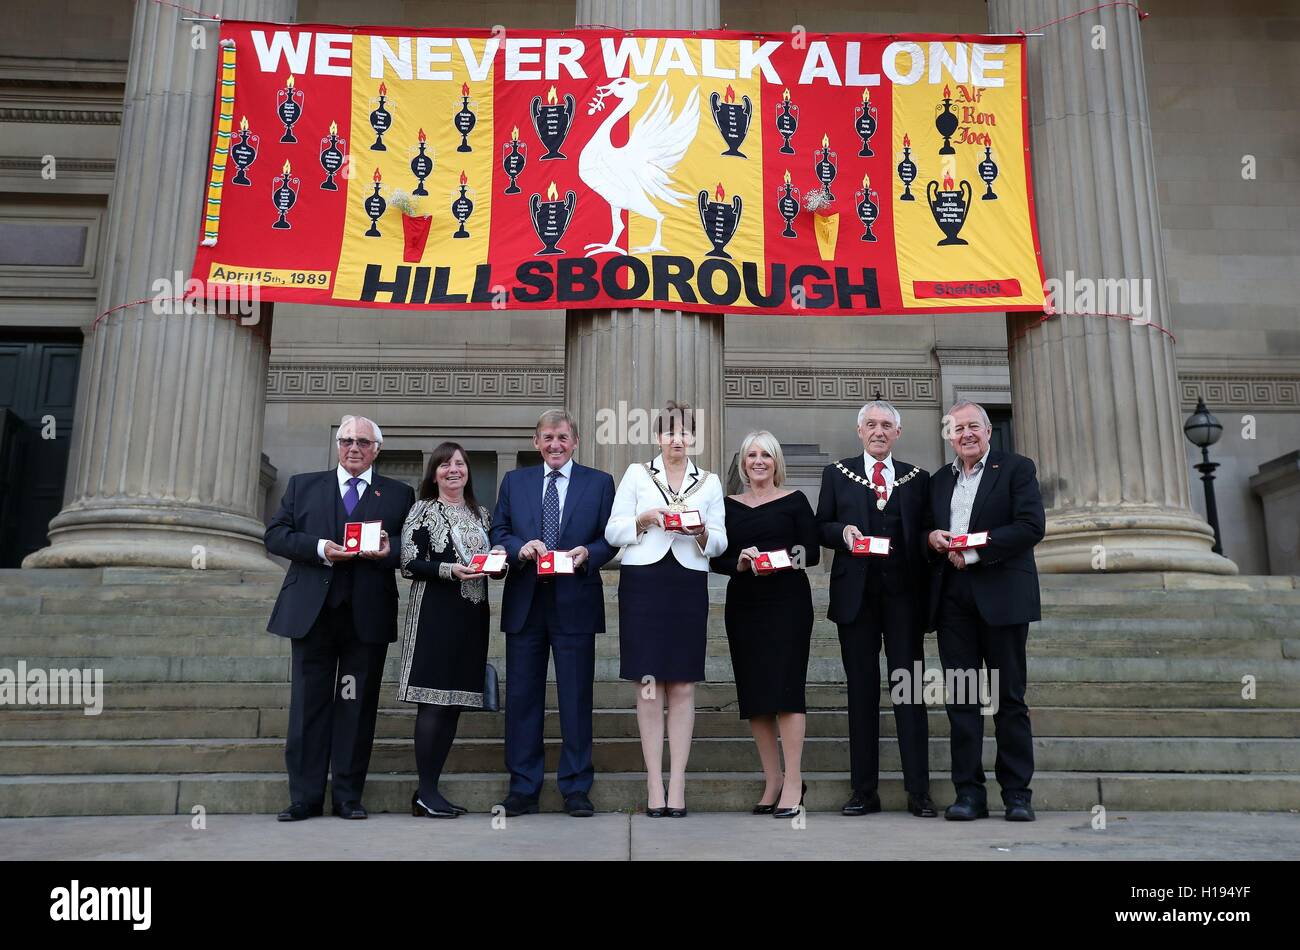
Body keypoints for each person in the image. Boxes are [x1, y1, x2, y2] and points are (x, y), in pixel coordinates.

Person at [265, 415, 416, 821]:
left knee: (356, 705)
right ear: (337, 445)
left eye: (364, 442)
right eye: (347, 440)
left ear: (377, 450)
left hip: (365, 619)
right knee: (308, 706)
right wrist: (319, 547)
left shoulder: (399, 494)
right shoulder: (303, 486)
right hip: (312, 617)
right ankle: (305, 797)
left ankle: (348, 795)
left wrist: (391, 547)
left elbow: (414, 545)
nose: (354, 447)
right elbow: (275, 535)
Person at [490, 409, 616, 818]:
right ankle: (523, 788)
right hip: (526, 602)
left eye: (562, 437)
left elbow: (610, 538)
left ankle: (576, 787)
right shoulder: (515, 481)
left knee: (576, 698)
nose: (555, 445)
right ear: (536, 442)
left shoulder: (599, 483)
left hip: (574, 602)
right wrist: (517, 548)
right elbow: (499, 531)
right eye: (547, 438)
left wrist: (589, 554)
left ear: (575, 441)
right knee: (522, 699)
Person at [605, 401, 726, 817]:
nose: (678, 440)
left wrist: (703, 531)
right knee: (649, 684)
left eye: (686, 433)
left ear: (694, 439)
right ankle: (654, 783)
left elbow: (721, 541)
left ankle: (678, 784)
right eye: (670, 433)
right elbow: (612, 529)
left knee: (684, 686)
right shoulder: (639, 474)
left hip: (688, 581)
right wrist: (644, 519)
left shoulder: (708, 481)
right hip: (644, 582)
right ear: (658, 437)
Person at [816, 400, 936, 818]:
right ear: (860, 431)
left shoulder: (917, 479)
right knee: (861, 694)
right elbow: (820, 527)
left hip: (904, 600)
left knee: (909, 692)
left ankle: (918, 791)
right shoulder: (837, 474)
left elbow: (925, 531)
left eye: (887, 425)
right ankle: (864, 791)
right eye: (872, 425)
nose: (879, 431)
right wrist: (841, 531)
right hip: (857, 601)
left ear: (898, 433)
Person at [927, 400, 1045, 822]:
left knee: (1009, 699)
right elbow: (930, 529)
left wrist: (975, 551)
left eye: (973, 426)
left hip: (1002, 595)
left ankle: (1016, 794)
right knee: (961, 699)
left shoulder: (1016, 469)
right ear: (949, 436)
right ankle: (969, 794)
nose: (966, 435)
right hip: (952, 600)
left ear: (989, 431)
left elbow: (1031, 526)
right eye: (957, 429)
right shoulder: (940, 480)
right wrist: (934, 538)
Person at [710, 431, 819, 818]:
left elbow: (812, 552)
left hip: (787, 603)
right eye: (752, 455)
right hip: (745, 604)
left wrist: (777, 559)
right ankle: (772, 780)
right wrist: (739, 561)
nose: (758, 461)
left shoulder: (794, 501)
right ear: (742, 463)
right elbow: (715, 557)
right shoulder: (727, 505)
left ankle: (794, 782)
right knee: (755, 695)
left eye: (766, 455)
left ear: (776, 462)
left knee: (787, 691)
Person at [397, 441, 505, 819]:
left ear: (468, 471)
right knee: (433, 702)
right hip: (434, 613)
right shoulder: (423, 509)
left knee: (454, 703)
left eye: (459, 463)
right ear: (435, 472)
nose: (453, 470)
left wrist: (499, 565)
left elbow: (493, 558)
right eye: (445, 465)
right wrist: (449, 570)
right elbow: (408, 561)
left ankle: (432, 791)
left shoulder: (482, 514)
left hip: (472, 616)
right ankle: (425, 791)